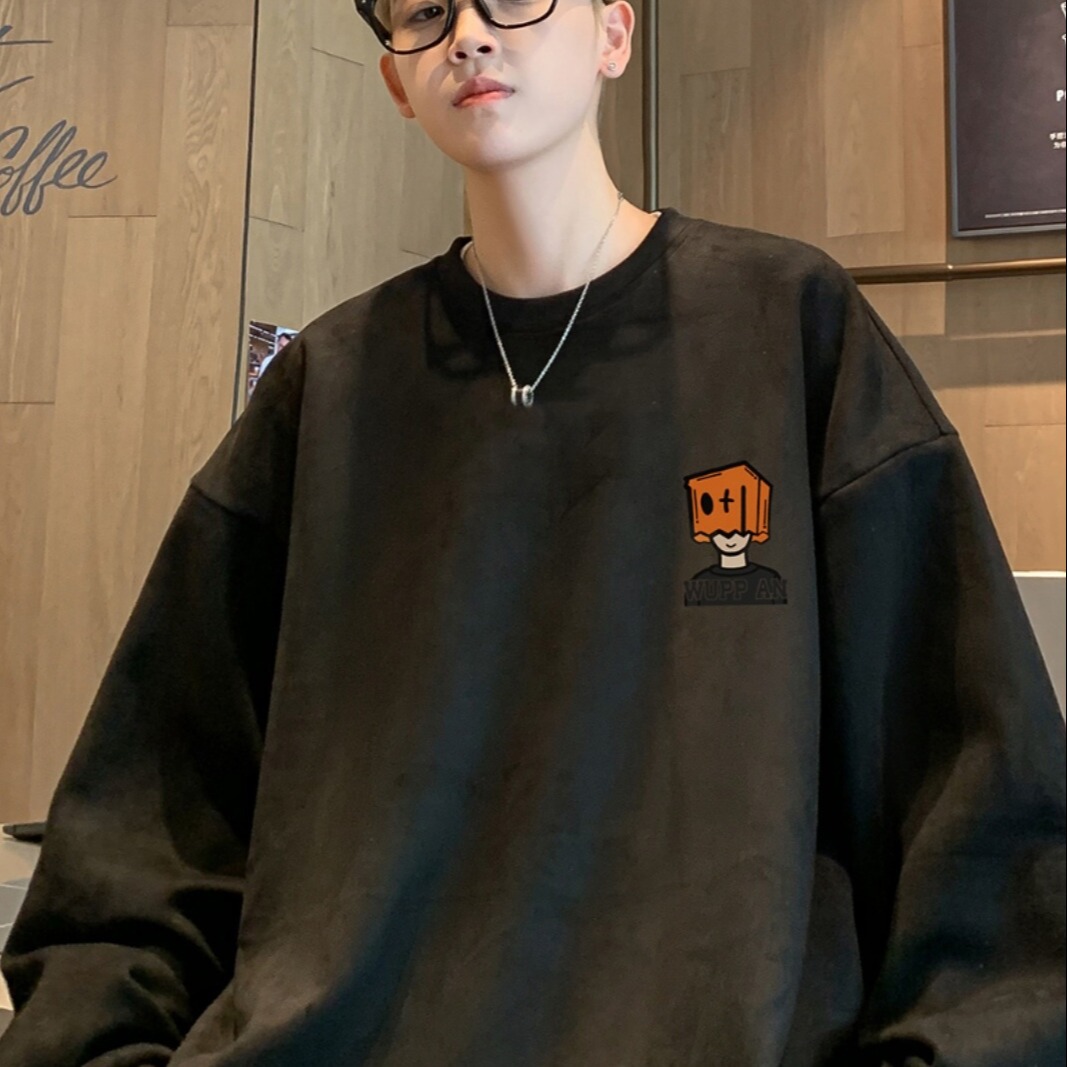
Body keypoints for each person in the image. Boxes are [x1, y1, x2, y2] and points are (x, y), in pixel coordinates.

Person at [1, 2, 1064, 1065]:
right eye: (424, 11)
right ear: (395, 82)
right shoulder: (328, 389)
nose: (467, 33)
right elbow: (144, 831)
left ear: (614, 34)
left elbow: (982, 820)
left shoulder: (788, 329)